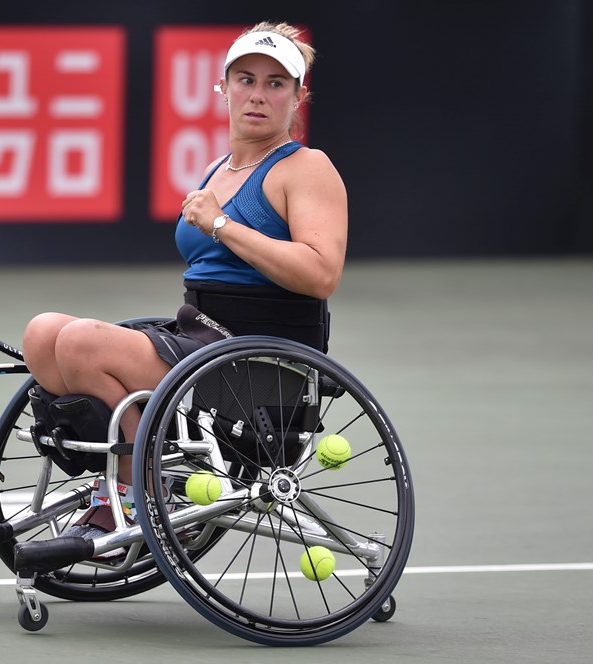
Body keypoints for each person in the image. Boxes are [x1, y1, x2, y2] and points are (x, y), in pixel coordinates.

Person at [21, 21, 348, 540]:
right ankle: (140, 467)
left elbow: (321, 274)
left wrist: (221, 224)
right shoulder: (218, 169)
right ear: (222, 87)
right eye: (245, 79)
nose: (257, 95)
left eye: (275, 83)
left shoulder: (306, 168)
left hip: (254, 360)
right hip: (198, 337)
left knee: (81, 343)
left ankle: (135, 489)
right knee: (42, 333)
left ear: (299, 96)